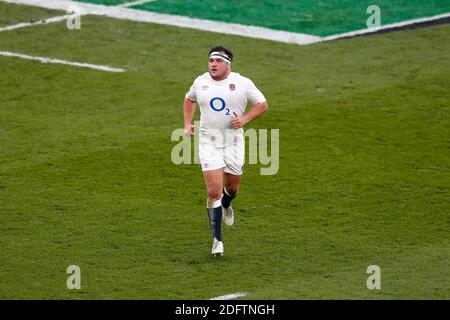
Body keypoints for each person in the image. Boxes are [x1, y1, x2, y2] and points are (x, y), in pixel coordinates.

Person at [183, 46, 268, 256]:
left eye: (218, 61)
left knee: (232, 189)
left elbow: (262, 104)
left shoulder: (242, 83)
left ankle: (227, 204)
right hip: (208, 143)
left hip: (233, 143)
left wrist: (245, 119)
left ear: (228, 65)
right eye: (211, 60)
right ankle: (217, 241)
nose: (213, 64)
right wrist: (187, 123)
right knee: (214, 191)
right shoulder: (200, 82)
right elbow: (189, 99)